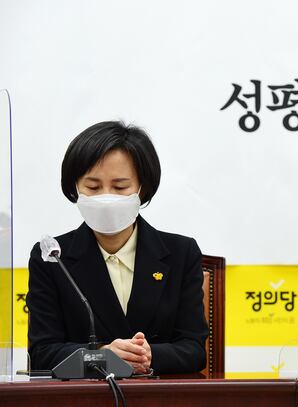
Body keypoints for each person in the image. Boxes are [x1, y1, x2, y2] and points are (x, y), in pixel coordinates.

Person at [27, 121, 208, 374]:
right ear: (75, 187)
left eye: (120, 187)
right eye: (93, 187)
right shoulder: (53, 257)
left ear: (142, 188)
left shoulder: (181, 253)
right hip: (86, 394)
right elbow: (42, 353)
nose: (106, 198)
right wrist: (101, 355)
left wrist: (148, 355)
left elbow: (194, 350)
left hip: (158, 392)